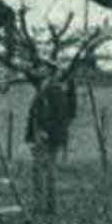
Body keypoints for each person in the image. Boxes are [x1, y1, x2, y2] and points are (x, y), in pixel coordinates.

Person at [25, 69, 76, 216]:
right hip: (53, 137)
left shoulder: (50, 93)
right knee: (49, 171)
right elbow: (69, 114)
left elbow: (44, 115)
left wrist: (41, 131)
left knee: (39, 171)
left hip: (44, 137)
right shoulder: (60, 92)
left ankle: (40, 206)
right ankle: (50, 206)